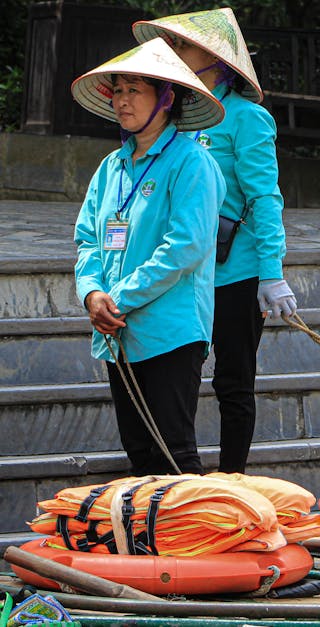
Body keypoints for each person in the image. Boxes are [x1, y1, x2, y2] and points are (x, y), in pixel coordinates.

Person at [132, 8, 294, 474]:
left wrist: (272, 273)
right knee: (173, 375)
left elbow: (264, 198)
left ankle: (232, 480)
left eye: (183, 44)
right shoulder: (173, 115)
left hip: (235, 270)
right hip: (182, 270)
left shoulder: (247, 118)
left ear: (217, 58)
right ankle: (173, 477)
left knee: (233, 382)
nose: (175, 52)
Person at [71, 37, 227, 475]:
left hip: (170, 330)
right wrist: (92, 293)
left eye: (134, 90)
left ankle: (190, 522)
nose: (122, 100)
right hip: (118, 332)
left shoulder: (192, 162)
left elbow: (185, 246)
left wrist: (118, 298)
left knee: (173, 452)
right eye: (118, 90)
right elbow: (87, 240)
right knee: (139, 451)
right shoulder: (111, 167)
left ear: (166, 99)